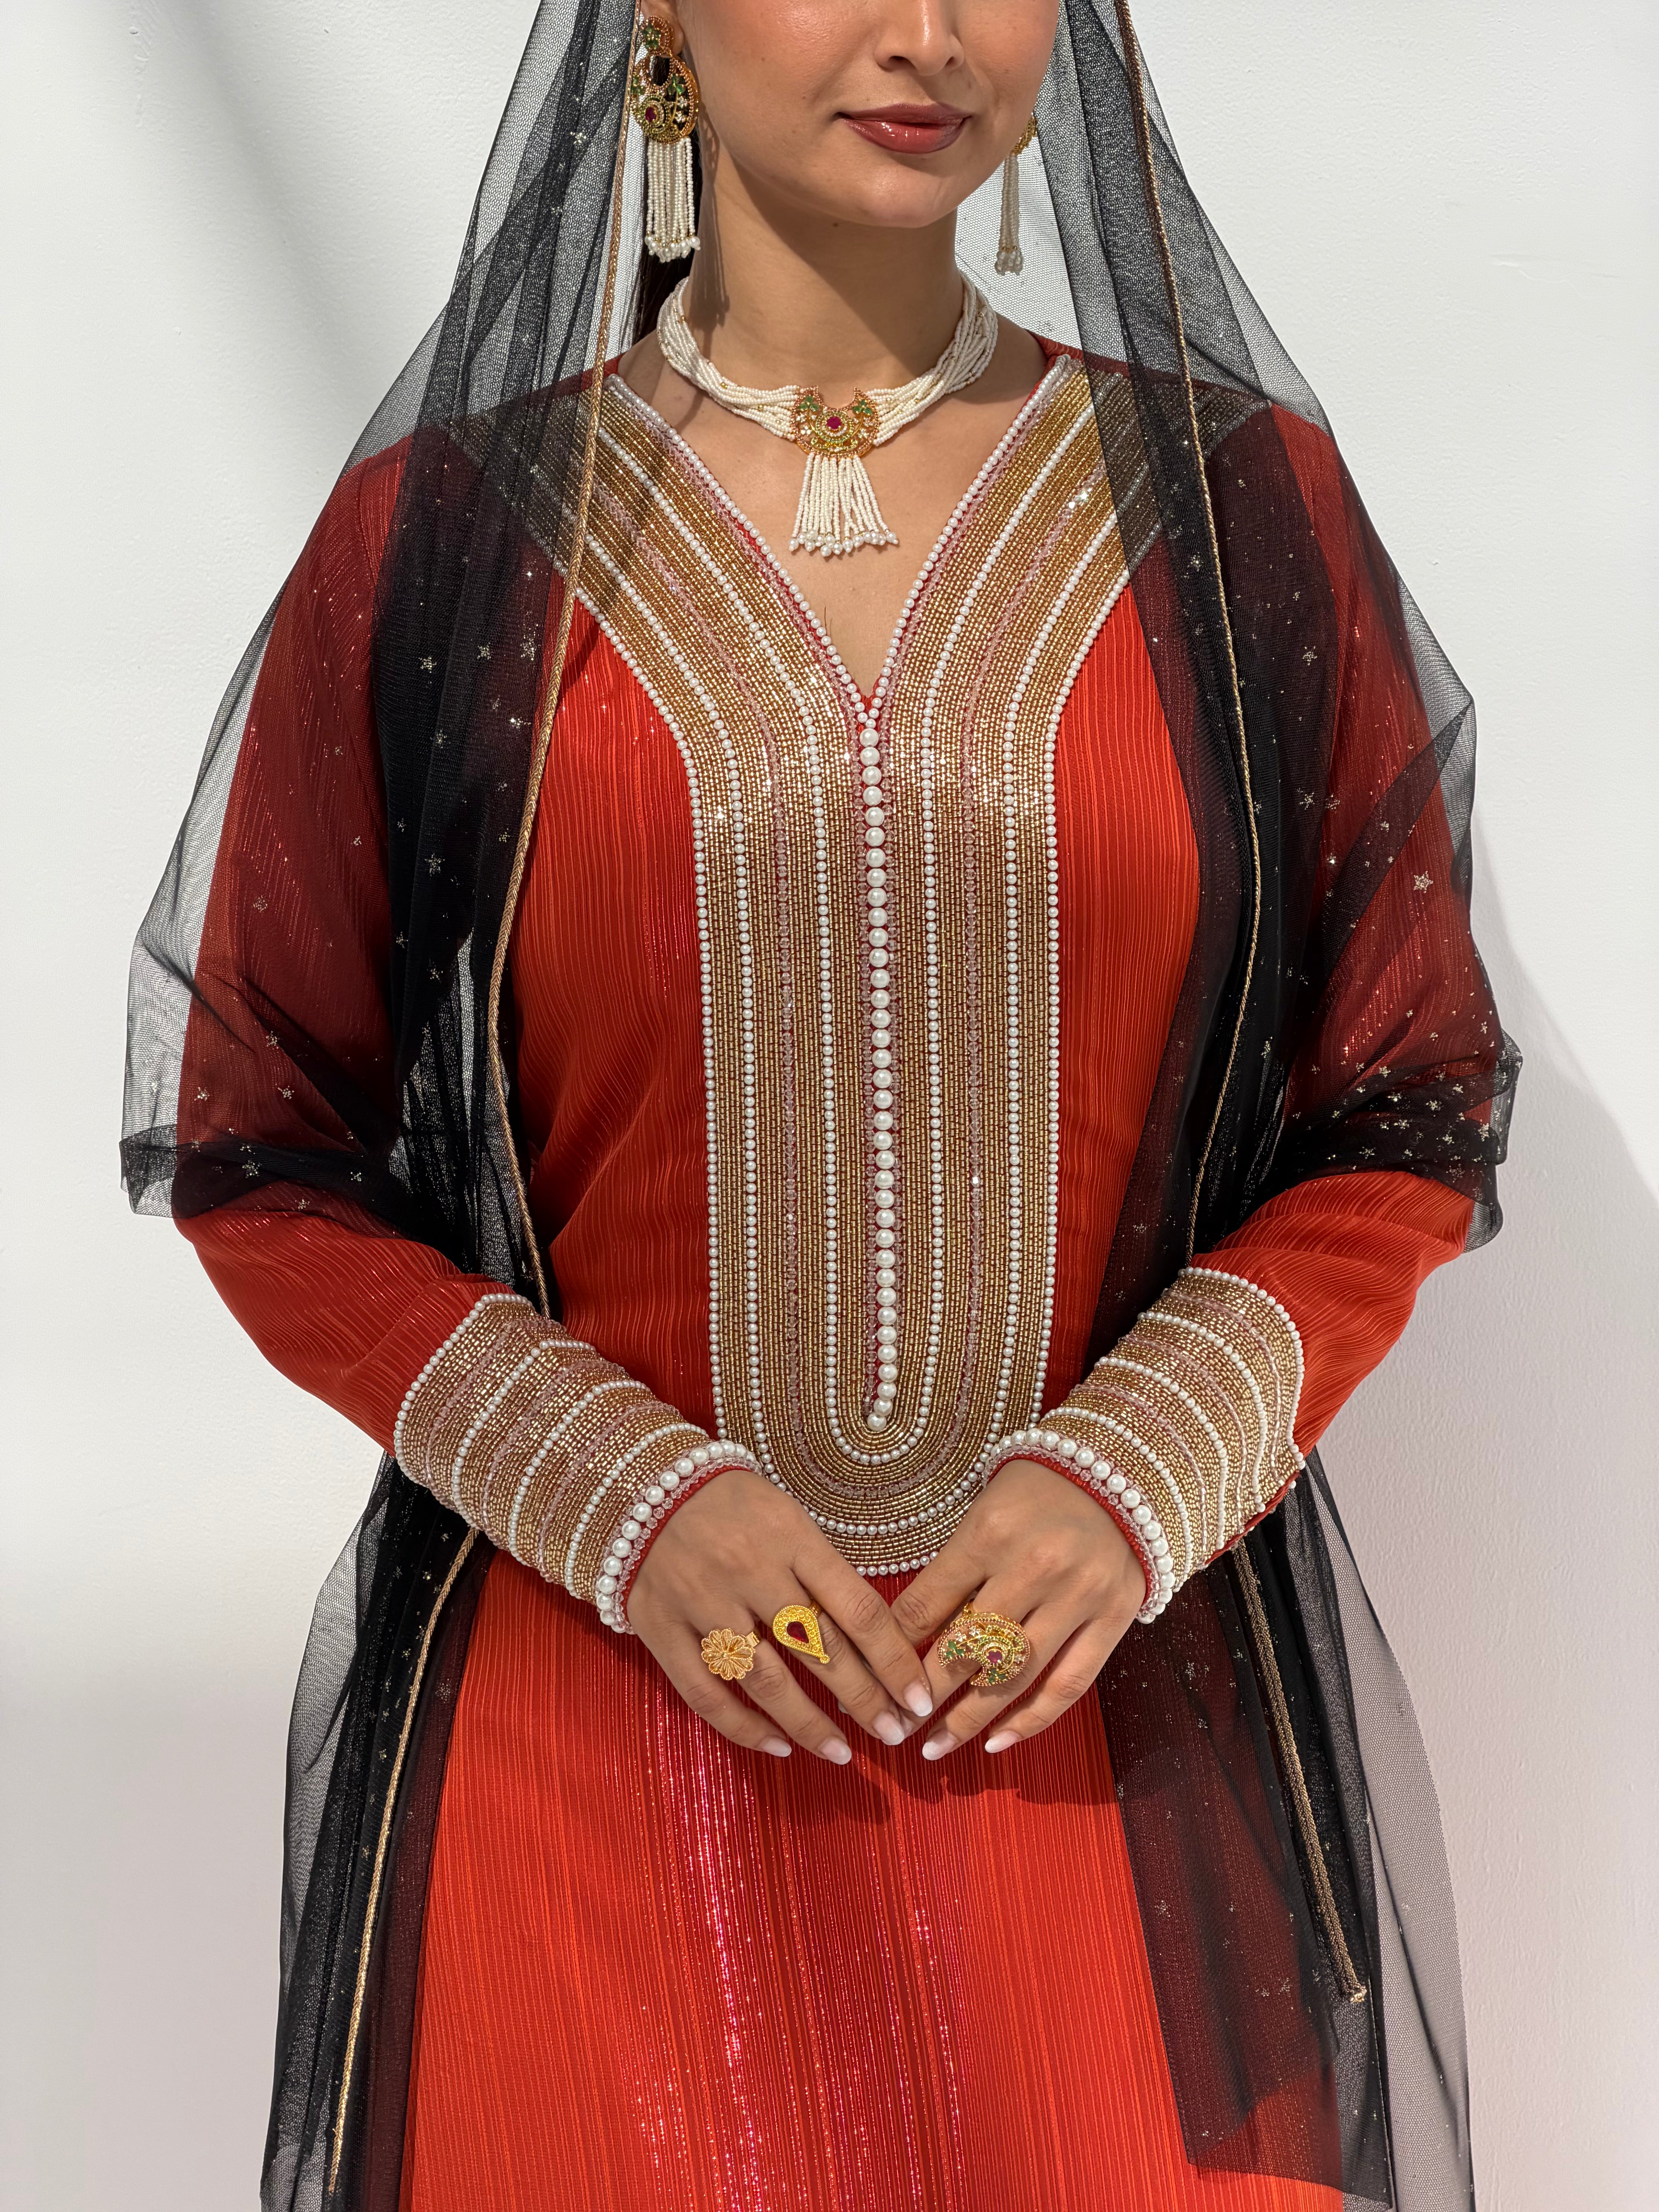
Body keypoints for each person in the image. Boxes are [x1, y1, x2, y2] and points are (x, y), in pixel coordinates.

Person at [123, 3, 1518, 2206]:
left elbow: (1407, 1094)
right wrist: (624, 1495)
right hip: (597, 1741)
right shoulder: (454, 542)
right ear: (660, 20)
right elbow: (263, 1139)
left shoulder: (1231, 514)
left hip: (1101, 1761)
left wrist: (1142, 1468)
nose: (928, 34)